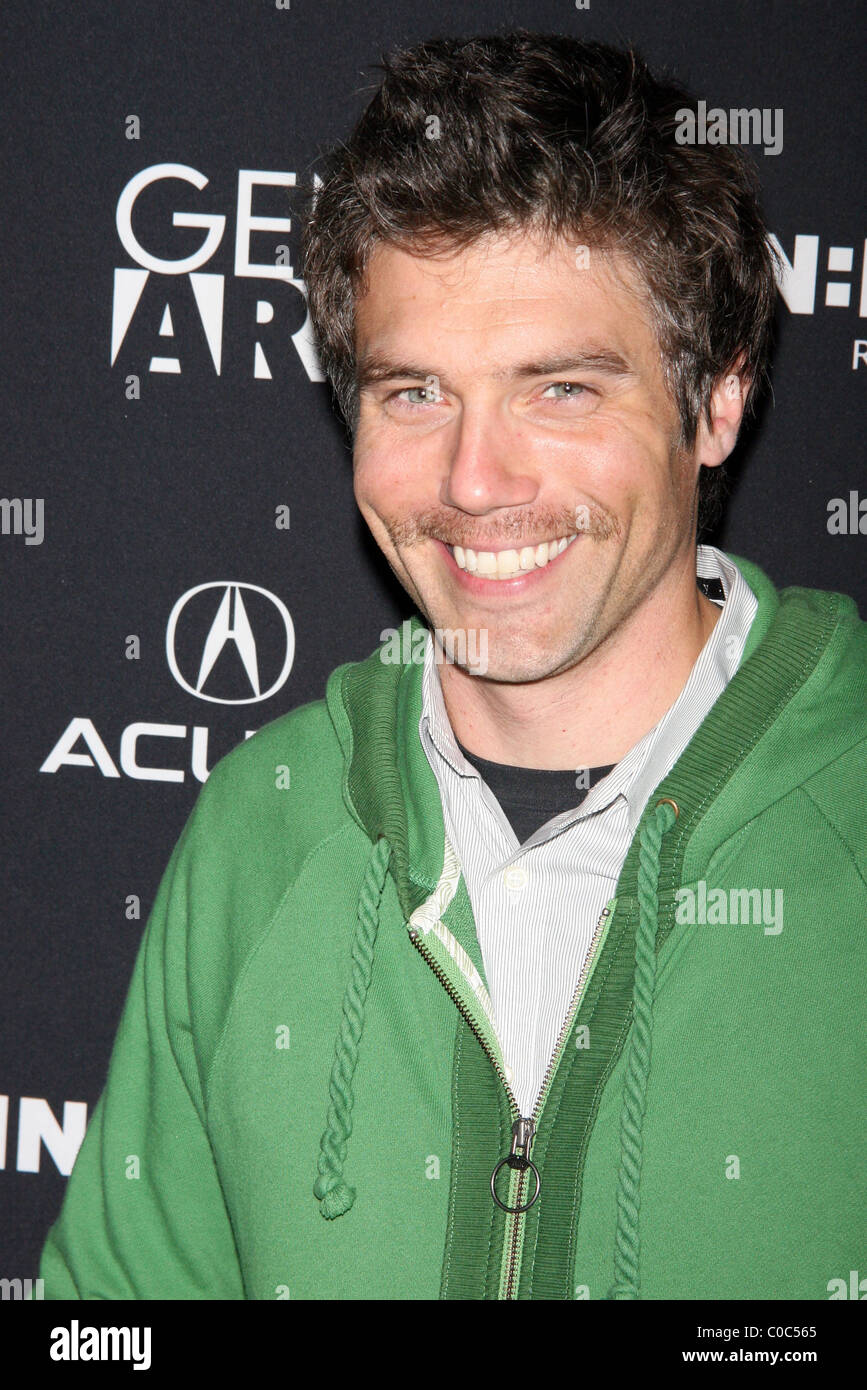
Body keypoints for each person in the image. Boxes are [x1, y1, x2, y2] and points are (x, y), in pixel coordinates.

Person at [40, 31, 866, 1301]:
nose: (475, 482)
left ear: (715, 406)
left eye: (563, 391)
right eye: (415, 392)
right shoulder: (263, 829)